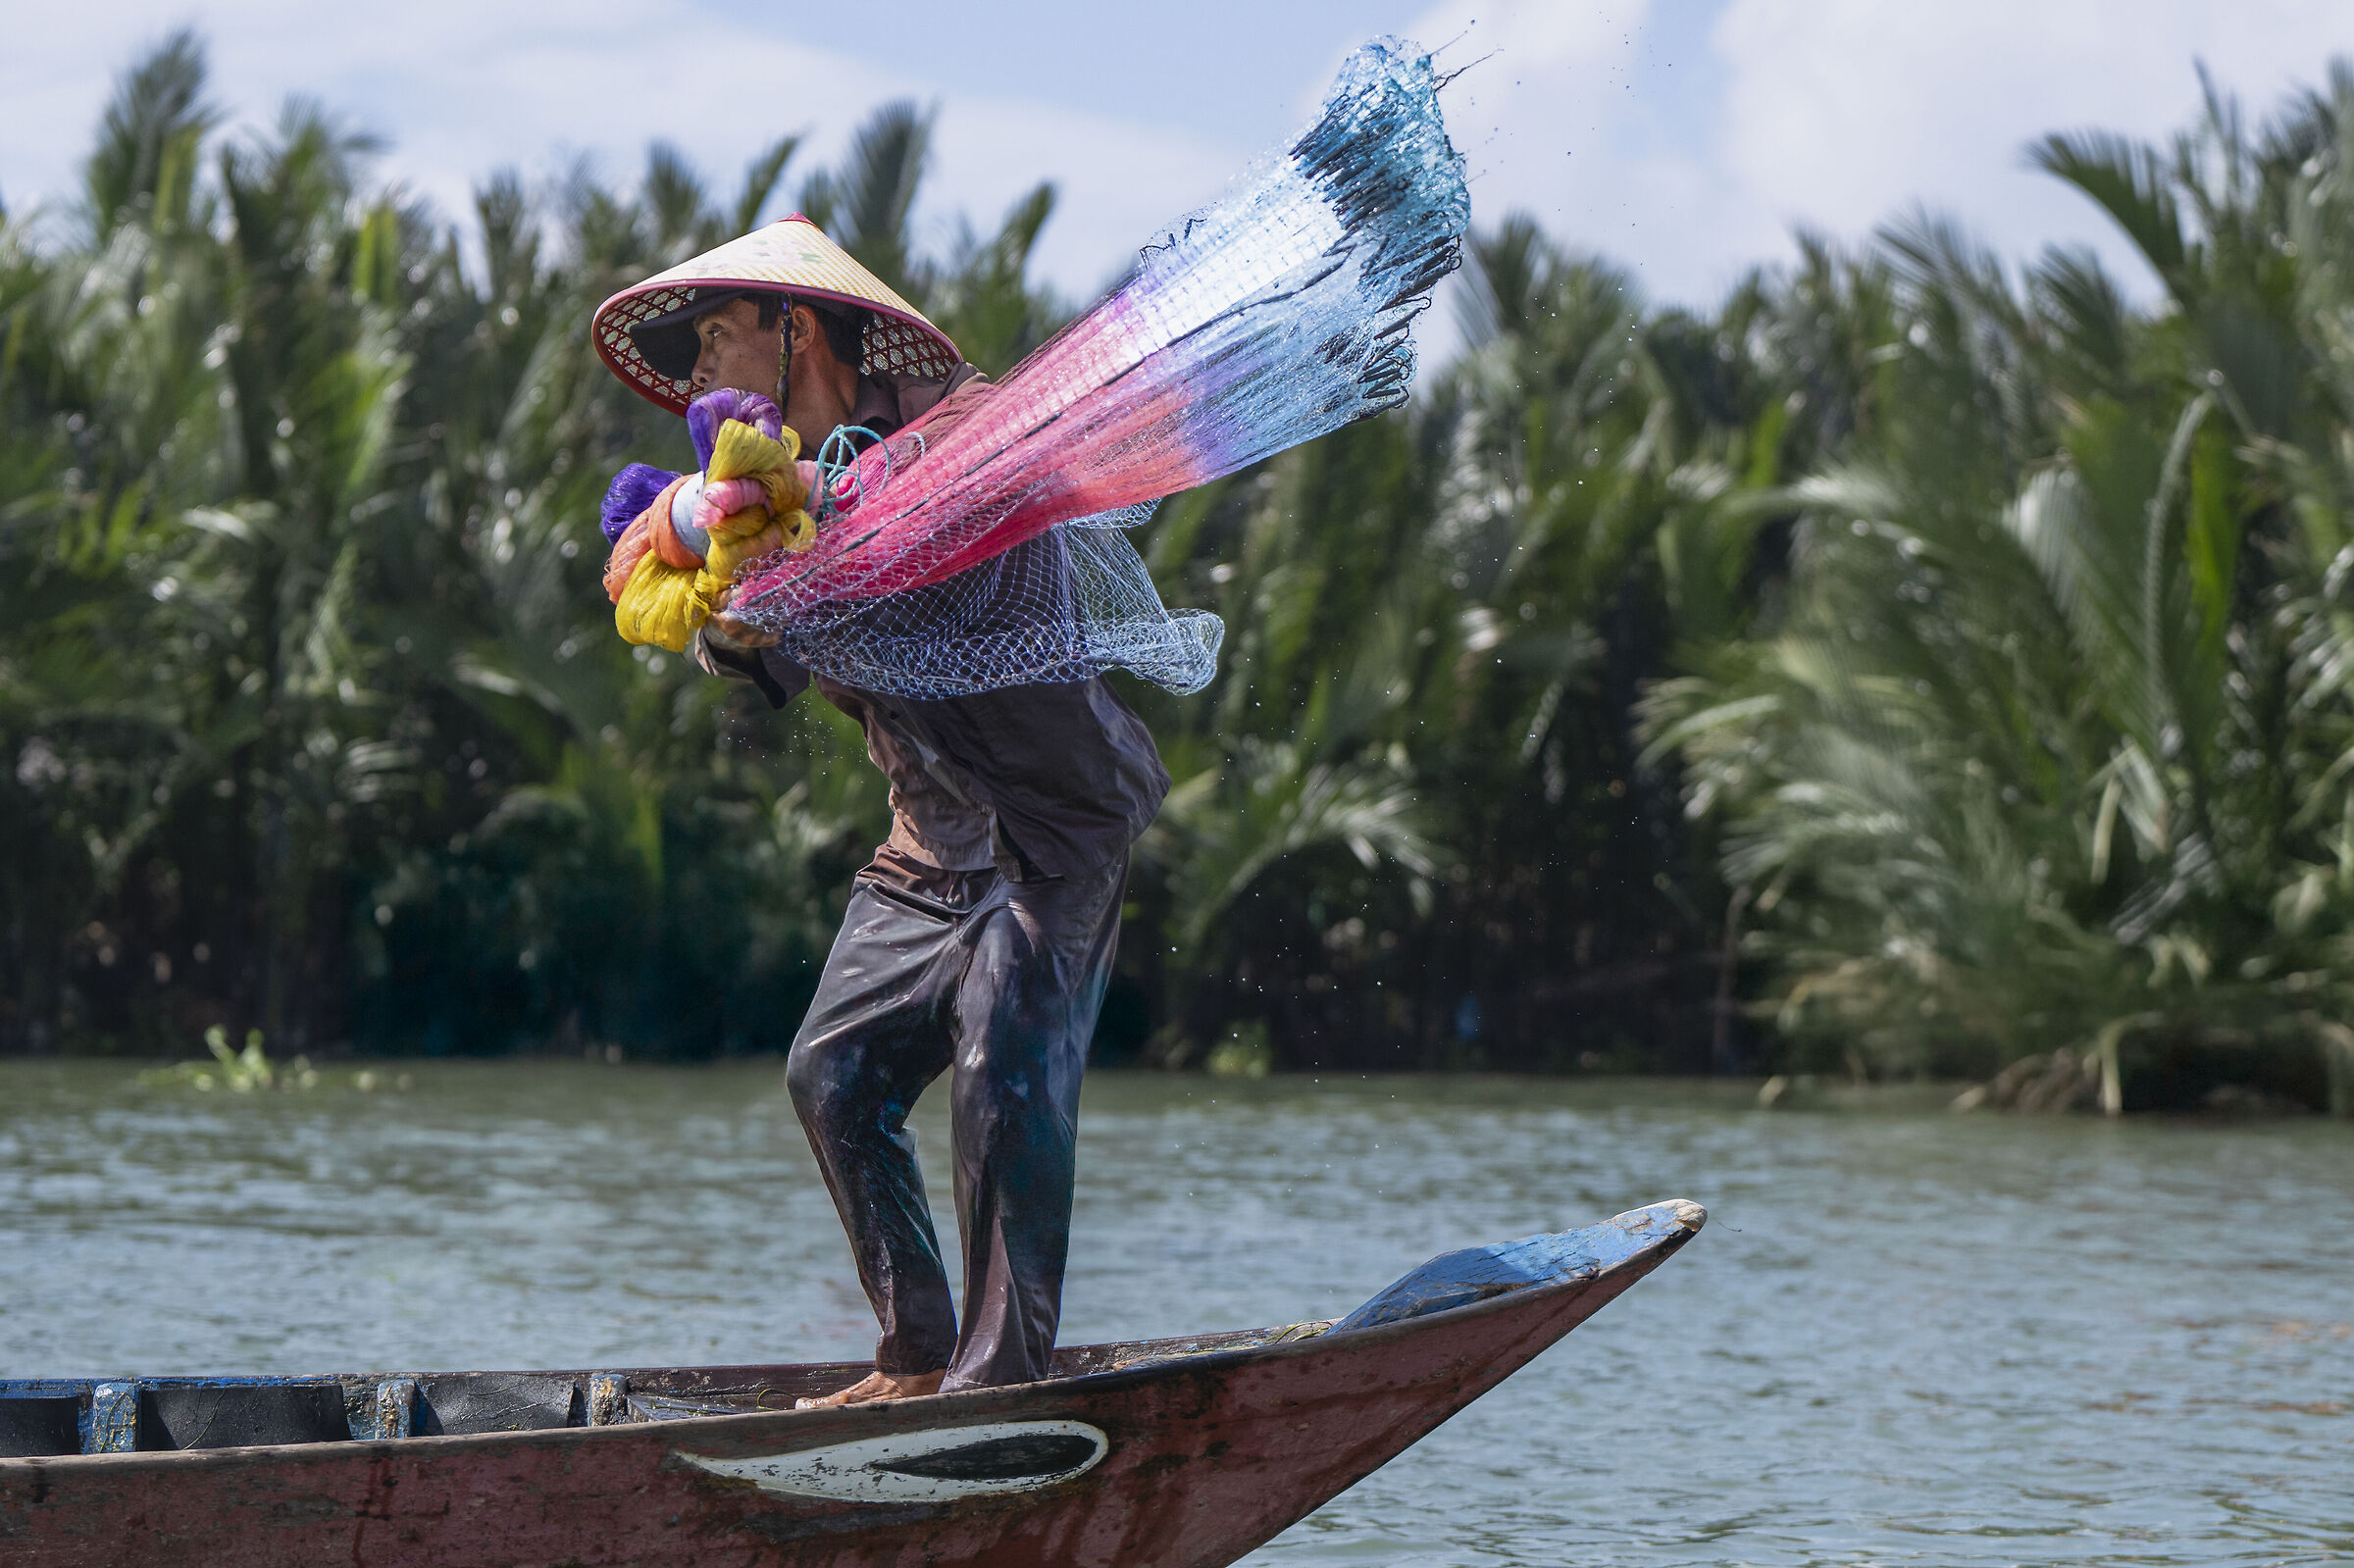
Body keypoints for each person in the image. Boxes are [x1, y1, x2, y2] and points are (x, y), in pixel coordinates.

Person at [597, 220, 1169, 1405]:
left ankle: (998, 1386)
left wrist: (810, 497)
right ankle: (915, 1362)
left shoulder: (962, 423)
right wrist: (734, 627)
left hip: (1049, 829)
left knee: (1002, 1063)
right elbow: (753, 647)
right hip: (929, 843)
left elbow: (909, 494)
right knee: (832, 1073)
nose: (701, 377)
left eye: (717, 339)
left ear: (796, 329)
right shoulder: (769, 507)